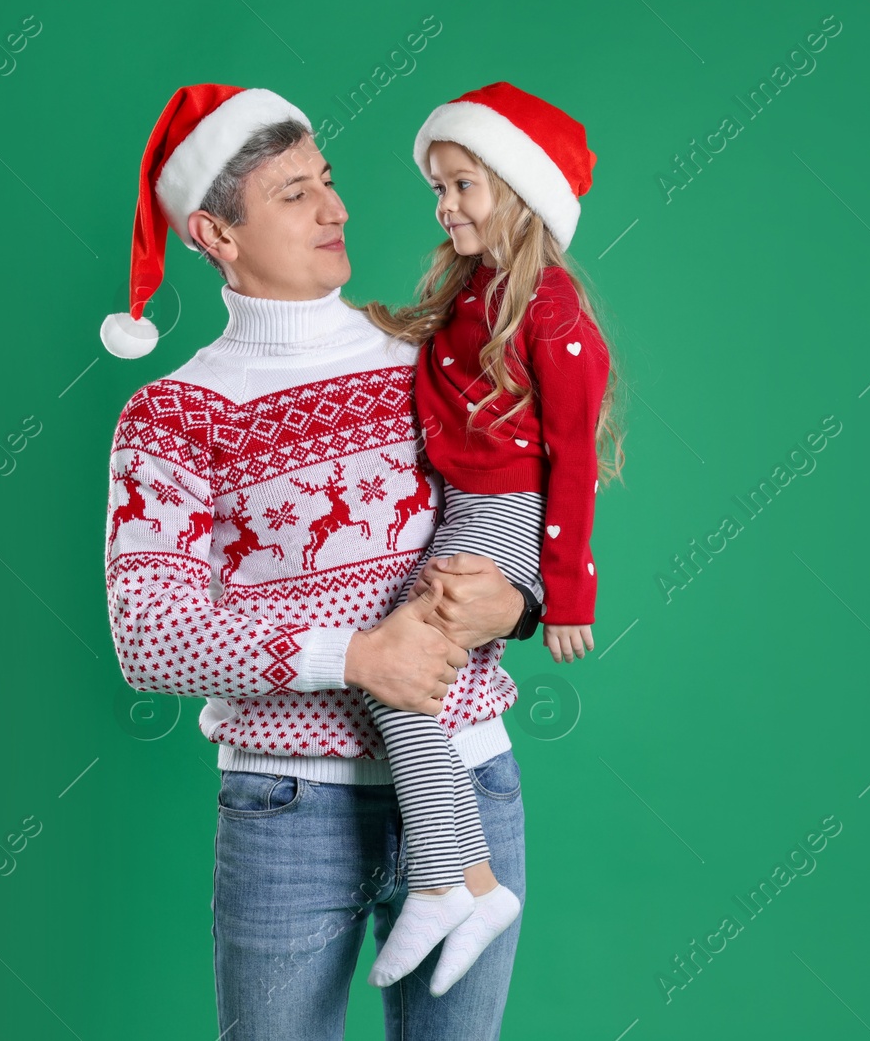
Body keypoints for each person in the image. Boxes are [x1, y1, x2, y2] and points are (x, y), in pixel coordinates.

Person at [100, 83, 539, 1040]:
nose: (337, 208)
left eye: (329, 181)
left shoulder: (427, 354)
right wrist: (355, 656)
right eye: (295, 193)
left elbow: (514, 507)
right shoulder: (174, 417)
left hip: (473, 784)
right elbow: (149, 637)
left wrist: (513, 597)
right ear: (216, 233)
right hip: (287, 814)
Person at [354, 82, 624, 994]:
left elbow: (576, 460)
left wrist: (567, 593)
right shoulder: (477, 289)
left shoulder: (550, 311)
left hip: (502, 517)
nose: (445, 205)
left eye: (464, 185)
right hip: (460, 506)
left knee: (396, 671)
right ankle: (467, 881)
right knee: (402, 683)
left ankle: (450, 879)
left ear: (517, 191)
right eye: (438, 189)